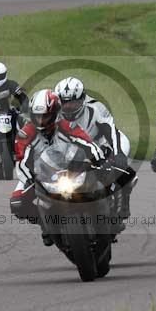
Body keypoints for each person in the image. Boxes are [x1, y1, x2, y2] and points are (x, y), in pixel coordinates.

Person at [10, 89, 107, 246]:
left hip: (69, 170)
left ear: (55, 112)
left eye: (45, 116)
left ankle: (102, 220)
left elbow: (87, 142)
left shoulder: (66, 126)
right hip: (36, 174)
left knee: (100, 184)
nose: (41, 121)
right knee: (17, 203)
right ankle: (45, 224)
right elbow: (21, 161)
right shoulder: (25, 133)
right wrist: (30, 179)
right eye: (37, 116)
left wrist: (99, 159)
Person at [54, 77, 136, 230]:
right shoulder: (53, 111)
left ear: (82, 98)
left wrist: (118, 155)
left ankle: (120, 207)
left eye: (73, 102)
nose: (69, 107)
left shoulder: (96, 108)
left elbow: (112, 133)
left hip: (102, 144)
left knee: (118, 170)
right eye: (64, 102)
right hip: (71, 150)